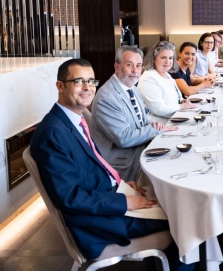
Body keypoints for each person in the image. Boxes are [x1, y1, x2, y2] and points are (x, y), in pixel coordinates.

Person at [30, 59, 193, 270]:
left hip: (110, 196)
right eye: (78, 81)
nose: (88, 87)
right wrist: (123, 202)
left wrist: (121, 183)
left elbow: (94, 165)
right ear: (60, 86)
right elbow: (69, 197)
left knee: (178, 203)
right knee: (187, 220)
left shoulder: (74, 120)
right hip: (98, 222)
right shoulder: (52, 133)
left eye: (91, 81)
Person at [91, 46, 178, 181]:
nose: (135, 71)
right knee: (171, 175)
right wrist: (154, 129)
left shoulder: (132, 88)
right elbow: (124, 138)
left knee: (177, 154)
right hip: (122, 165)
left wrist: (156, 125)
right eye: (129, 65)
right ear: (117, 66)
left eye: (138, 66)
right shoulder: (107, 98)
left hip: (139, 150)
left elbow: (141, 121)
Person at [137, 41, 196, 123]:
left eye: (170, 58)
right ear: (154, 59)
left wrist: (183, 101)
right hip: (159, 125)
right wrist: (182, 106)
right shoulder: (149, 78)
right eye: (163, 57)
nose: (167, 62)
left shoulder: (166, 74)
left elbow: (176, 97)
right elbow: (159, 109)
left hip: (174, 119)